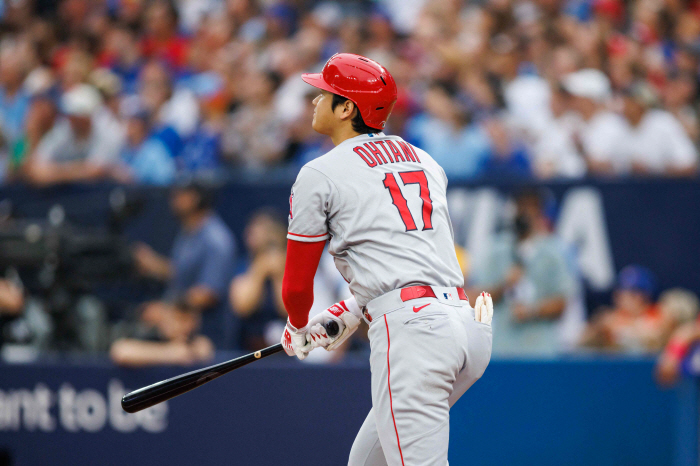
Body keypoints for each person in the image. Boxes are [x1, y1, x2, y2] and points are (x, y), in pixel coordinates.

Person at [277, 53, 493, 466]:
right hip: (462, 325)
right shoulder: (424, 159)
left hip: (415, 336)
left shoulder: (319, 173)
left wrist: (298, 325)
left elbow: (296, 287)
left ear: (347, 108)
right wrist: (347, 314)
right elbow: (412, 266)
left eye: (324, 93)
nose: (314, 101)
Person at [128, 179, 236, 350]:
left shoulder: (216, 239)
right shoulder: (188, 231)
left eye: (179, 194)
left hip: (207, 337)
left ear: (194, 198)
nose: (173, 199)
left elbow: (208, 293)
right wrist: (154, 264)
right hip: (180, 330)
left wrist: (166, 309)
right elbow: (182, 273)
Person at [229, 209, 288, 351]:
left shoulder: (289, 266)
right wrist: (259, 270)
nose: (250, 233)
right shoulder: (244, 265)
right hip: (249, 347)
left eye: (257, 230)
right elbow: (242, 307)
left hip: (286, 348)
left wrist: (278, 276)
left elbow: (288, 310)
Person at [580, 265, 670, 352]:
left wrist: (622, 331)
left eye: (631, 293)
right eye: (620, 292)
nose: (620, 297)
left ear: (644, 296)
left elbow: (655, 339)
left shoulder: (660, 315)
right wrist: (597, 329)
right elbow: (580, 344)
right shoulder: (609, 319)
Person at [621, 81, 698, 177]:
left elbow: (688, 163)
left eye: (630, 102)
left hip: (663, 188)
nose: (625, 107)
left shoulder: (663, 122)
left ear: (641, 104)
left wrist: (654, 170)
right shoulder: (615, 124)